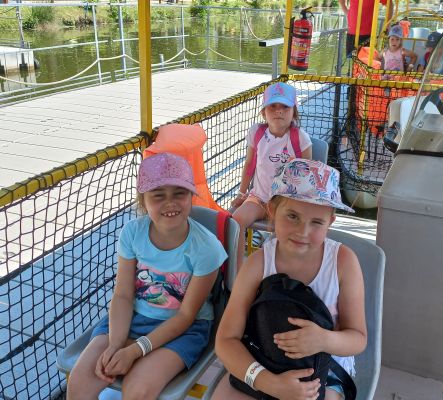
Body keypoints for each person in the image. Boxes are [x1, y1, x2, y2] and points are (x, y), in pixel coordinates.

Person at [67, 152, 228, 399]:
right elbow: (122, 295)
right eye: (158, 195)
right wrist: (115, 345)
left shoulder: (207, 248)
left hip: (184, 329)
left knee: (138, 390)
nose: (170, 202)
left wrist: (135, 350)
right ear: (143, 200)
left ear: (191, 197)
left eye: (179, 193)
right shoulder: (132, 233)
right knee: (80, 381)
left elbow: (186, 316)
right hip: (133, 317)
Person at [213, 159, 367, 400]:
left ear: (330, 223)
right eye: (292, 216)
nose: (302, 232)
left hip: (324, 370)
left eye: (316, 222)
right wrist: (268, 382)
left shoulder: (343, 263)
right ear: (272, 211)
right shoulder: (257, 264)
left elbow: (357, 338)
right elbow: (226, 340)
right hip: (263, 360)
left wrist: (323, 339)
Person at [230, 82, 312, 269]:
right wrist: (242, 194)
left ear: (294, 112)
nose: (279, 111)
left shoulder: (301, 139)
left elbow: (307, 176)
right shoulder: (256, 133)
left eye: (285, 107)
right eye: (273, 106)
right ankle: (237, 274)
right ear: (263, 112)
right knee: (236, 221)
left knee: (281, 233)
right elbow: (249, 165)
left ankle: (276, 273)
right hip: (258, 198)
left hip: (286, 202)